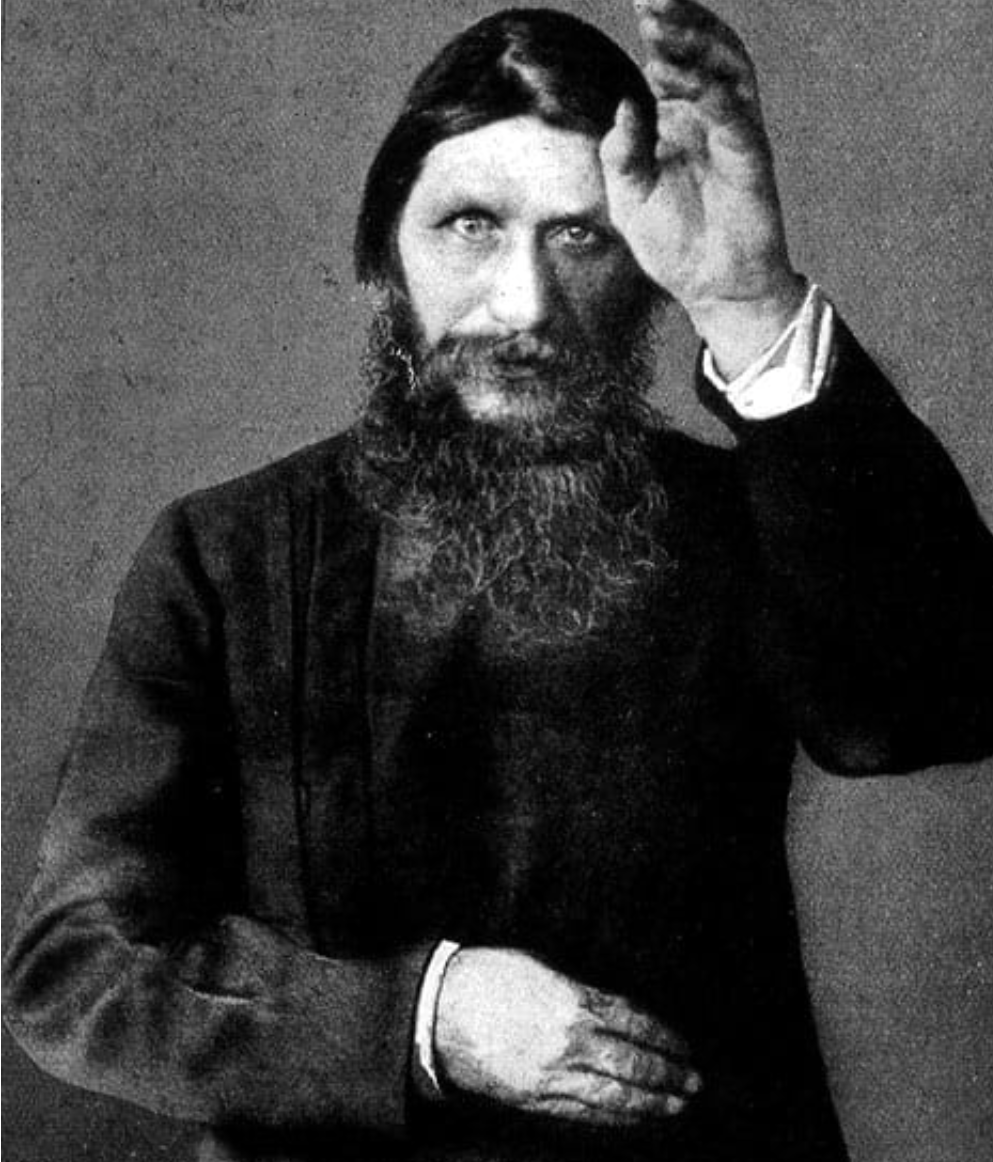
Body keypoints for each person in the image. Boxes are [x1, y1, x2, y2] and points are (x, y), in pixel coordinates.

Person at [4, 3, 992, 1160]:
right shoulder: (224, 553)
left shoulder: (745, 520)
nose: (523, 305)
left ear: (647, 270)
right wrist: (430, 1019)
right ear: (384, 254)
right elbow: (76, 966)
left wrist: (750, 300)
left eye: (580, 238)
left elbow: (930, 705)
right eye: (471, 225)